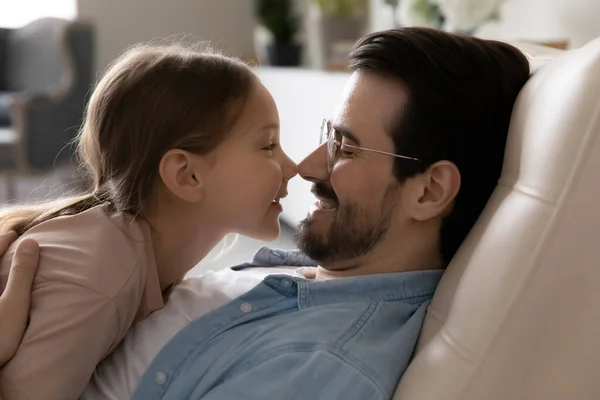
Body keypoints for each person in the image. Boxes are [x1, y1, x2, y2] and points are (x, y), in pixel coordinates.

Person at [85, 27, 529, 400]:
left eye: (346, 148)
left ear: (429, 191)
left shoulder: (318, 367)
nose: (308, 166)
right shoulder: (315, 276)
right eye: (328, 136)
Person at [0, 44, 296, 399]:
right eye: (268, 146)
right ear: (187, 175)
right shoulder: (104, 274)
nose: (292, 167)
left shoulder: (132, 258)